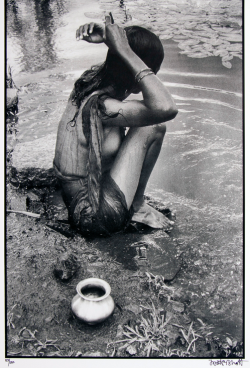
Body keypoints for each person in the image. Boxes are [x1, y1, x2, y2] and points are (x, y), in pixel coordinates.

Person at [53, 15, 178, 236]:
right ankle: (137, 207)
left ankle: (134, 204)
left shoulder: (90, 80)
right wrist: (126, 50)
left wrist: (115, 45)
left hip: (75, 197)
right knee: (154, 127)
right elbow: (166, 108)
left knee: (145, 124)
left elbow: (117, 66)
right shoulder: (103, 107)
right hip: (92, 217)